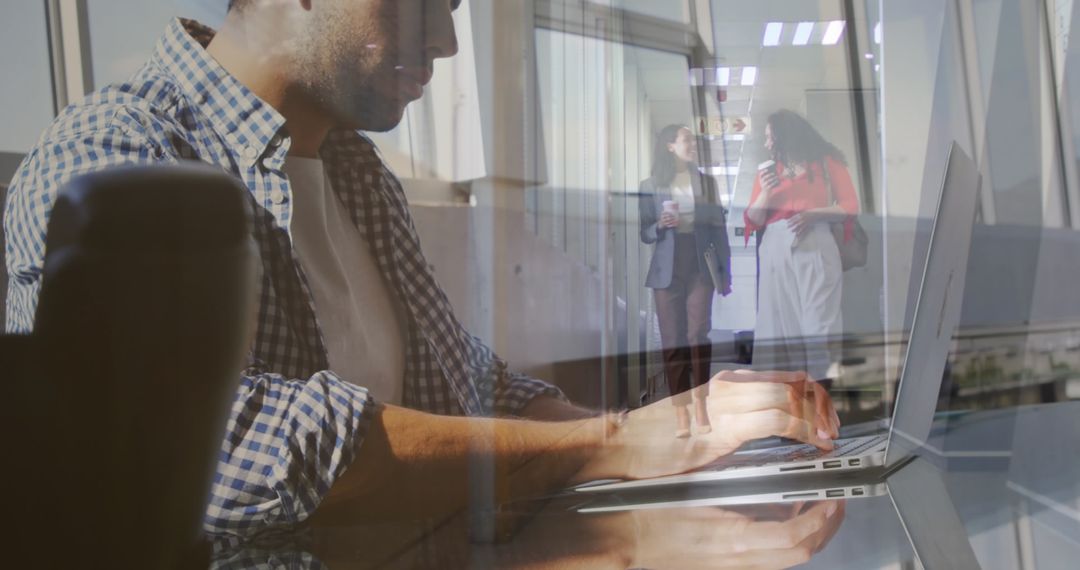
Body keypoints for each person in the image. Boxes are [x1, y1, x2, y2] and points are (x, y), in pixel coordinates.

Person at [4, 1, 839, 537]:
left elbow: (468, 381)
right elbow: (227, 445)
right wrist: (619, 443)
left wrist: (679, 438)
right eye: (417, 2)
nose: (440, 38)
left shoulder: (356, 170)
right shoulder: (110, 158)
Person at [744, 110, 860, 381]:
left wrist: (815, 214)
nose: (767, 144)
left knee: (820, 325)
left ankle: (823, 401)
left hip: (816, 240)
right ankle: (794, 402)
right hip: (775, 245)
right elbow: (754, 218)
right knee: (782, 329)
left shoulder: (827, 164)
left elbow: (851, 205)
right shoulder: (768, 174)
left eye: (771, 137)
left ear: (788, 137)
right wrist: (766, 193)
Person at [639, 125, 732, 438]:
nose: (692, 144)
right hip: (667, 268)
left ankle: (701, 402)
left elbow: (719, 228)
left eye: (693, 139)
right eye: (686, 139)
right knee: (672, 340)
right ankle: (680, 410)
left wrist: (725, 271)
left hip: (699, 264)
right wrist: (660, 226)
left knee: (697, 334)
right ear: (669, 146)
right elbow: (645, 232)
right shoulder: (650, 185)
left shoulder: (706, 183)